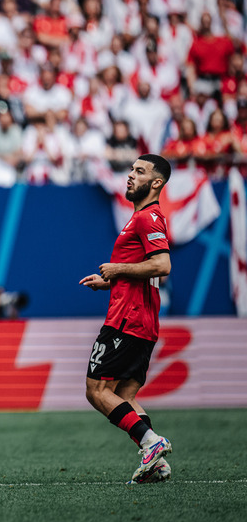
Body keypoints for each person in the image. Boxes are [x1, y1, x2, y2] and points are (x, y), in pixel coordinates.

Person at [79, 154, 174, 484]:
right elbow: (145, 272)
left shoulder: (148, 218)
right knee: (126, 395)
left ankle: (151, 442)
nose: (130, 176)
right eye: (131, 170)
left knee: (97, 390)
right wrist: (110, 281)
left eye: (139, 171)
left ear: (156, 183)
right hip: (143, 321)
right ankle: (157, 463)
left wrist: (117, 269)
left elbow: (162, 266)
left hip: (126, 320)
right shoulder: (142, 218)